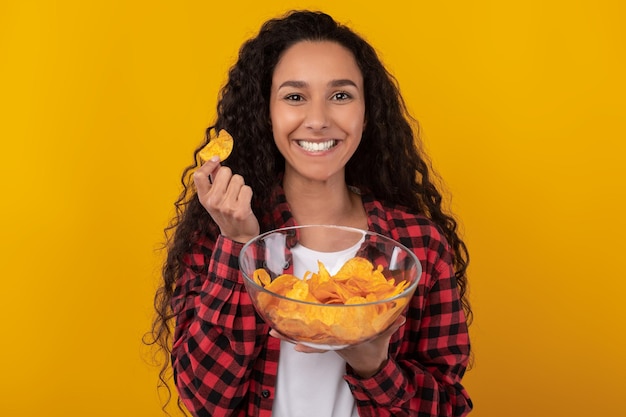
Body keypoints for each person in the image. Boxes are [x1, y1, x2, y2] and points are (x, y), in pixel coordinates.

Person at [149, 9, 473, 417]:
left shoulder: (418, 247)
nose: (318, 120)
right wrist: (238, 243)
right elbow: (203, 400)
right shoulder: (220, 232)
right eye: (294, 97)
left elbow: (445, 408)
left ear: (367, 112)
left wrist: (373, 364)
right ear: (266, 113)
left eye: (340, 95)